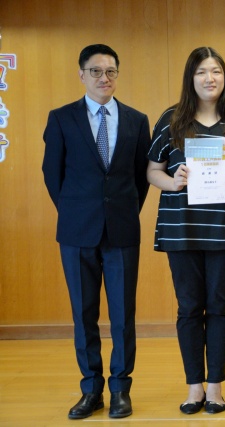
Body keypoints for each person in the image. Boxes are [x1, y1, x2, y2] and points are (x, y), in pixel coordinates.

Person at [146, 46, 225, 415]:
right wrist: (173, 181)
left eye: (216, 71)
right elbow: (152, 171)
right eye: (201, 72)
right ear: (191, 78)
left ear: (224, 77)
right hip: (182, 230)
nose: (209, 78)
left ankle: (215, 386)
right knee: (188, 308)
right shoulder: (171, 120)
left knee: (219, 306)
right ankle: (193, 386)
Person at [42, 44, 150, 419]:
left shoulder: (137, 120)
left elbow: (140, 178)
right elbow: (52, 174)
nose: (104, 78)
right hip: (77, 231)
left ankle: (120, 388)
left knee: (123, 315)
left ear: (117, 74)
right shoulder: (61, 118)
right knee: (84, 314)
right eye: (96, 71)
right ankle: (91, 389)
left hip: (122, 229)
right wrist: (76, 211)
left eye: (110, 71)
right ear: (82, 74)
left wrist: (122, 210)